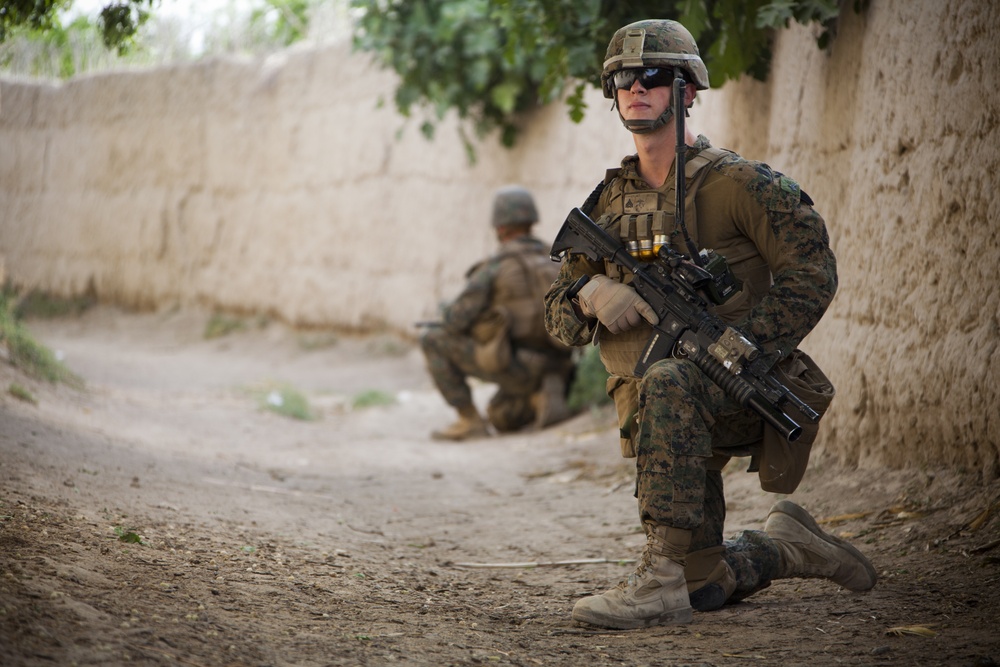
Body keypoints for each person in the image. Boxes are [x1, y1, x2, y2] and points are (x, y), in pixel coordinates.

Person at [543, 19, 876, 629]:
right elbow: (559, 321)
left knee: (670, 378)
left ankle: (657, 582)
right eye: (622, 78)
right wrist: (593, 291)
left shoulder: (742, 184)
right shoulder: (607, 205)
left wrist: (743, 344)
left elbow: (813, 273)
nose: (635, 88)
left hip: (741, 386)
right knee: (709, 586)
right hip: (664, 427)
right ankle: (786, 546)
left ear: (688, 90)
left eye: (652, 76)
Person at [421, 185, 576, 441]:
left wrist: (449, 313)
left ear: (500, 227)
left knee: (432, 338)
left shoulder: (495, 267)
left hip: (517, 366)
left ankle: (468, 420)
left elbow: (455, 322)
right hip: (561, 365)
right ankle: (539, 397)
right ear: (531, 220)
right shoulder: (558, 259)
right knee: (502, 417)